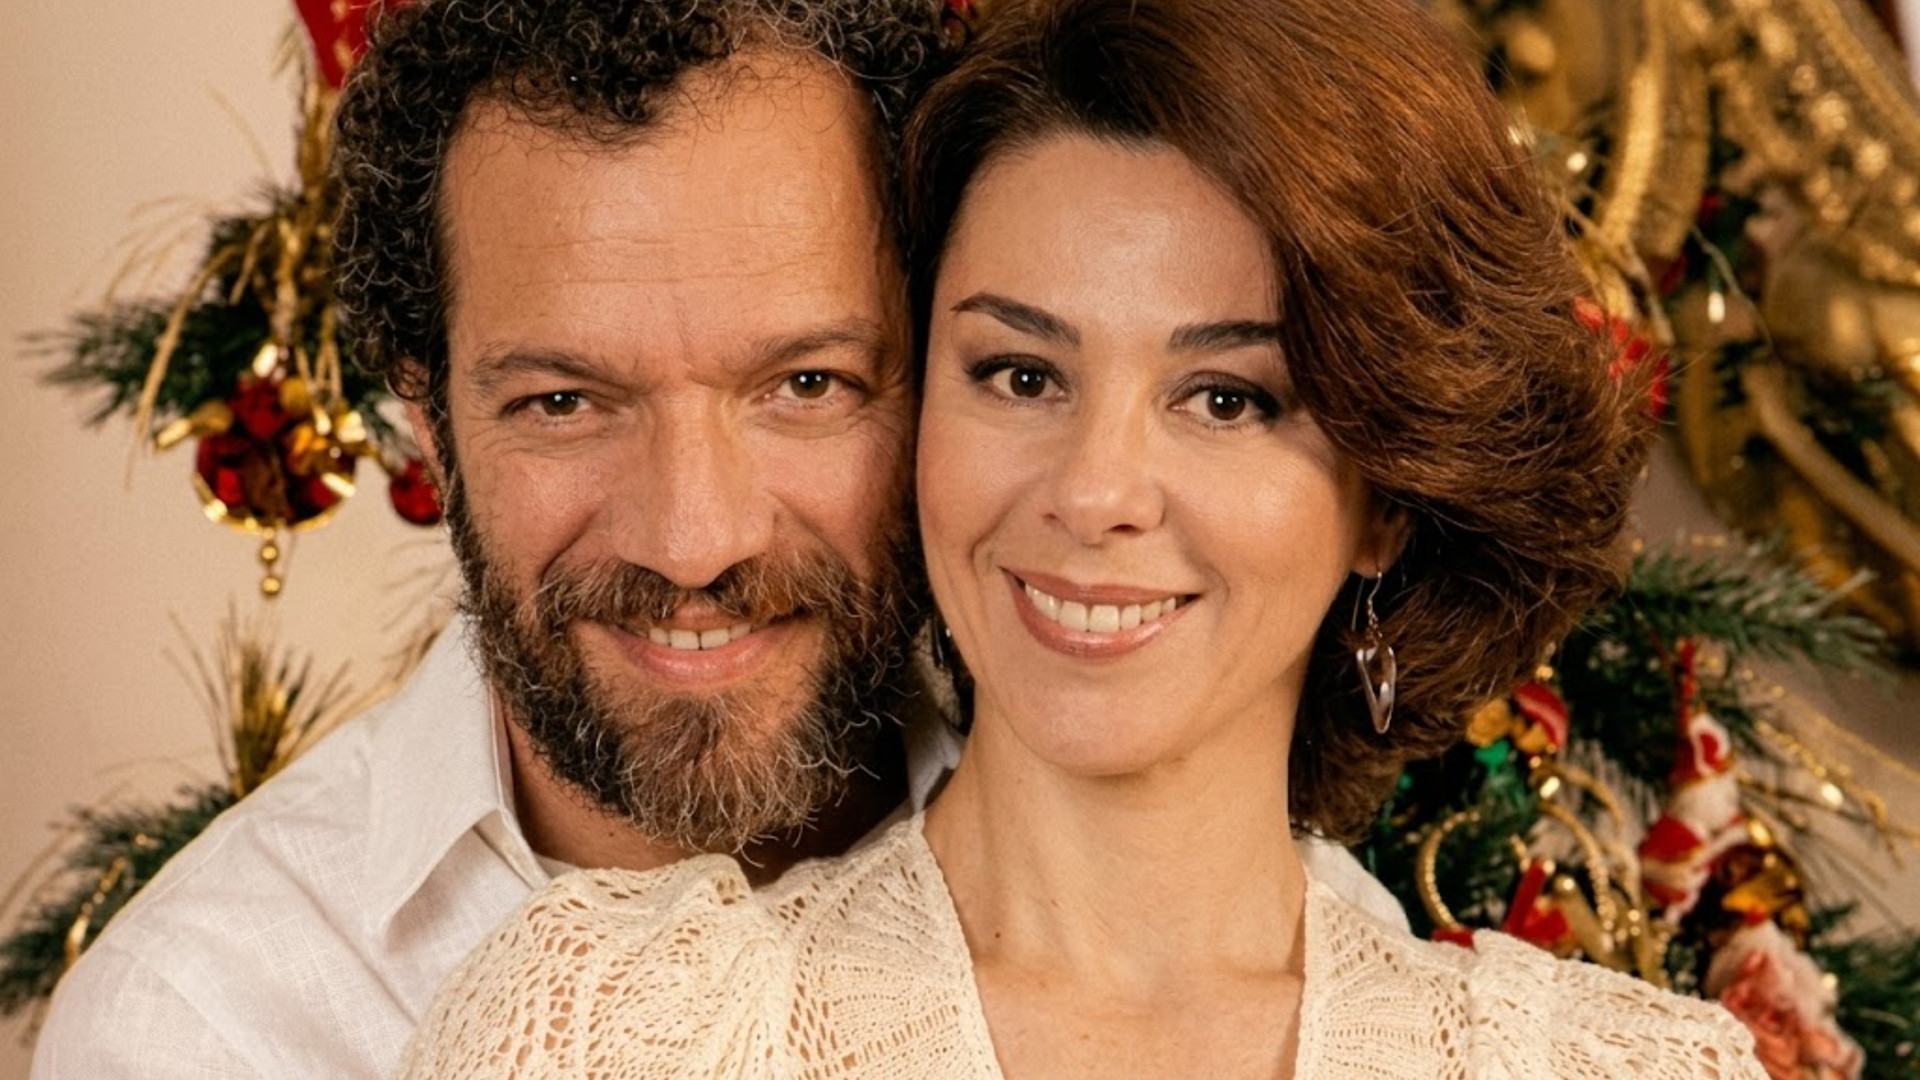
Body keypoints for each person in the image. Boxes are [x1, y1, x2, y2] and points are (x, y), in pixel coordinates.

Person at [395, 0, 1770, 1077]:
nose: (1096, 490)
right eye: (1021, 375)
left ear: (1390, 495)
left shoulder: (1627, 1068)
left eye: (1225, 398)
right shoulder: (606, 1038)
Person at [31, 2, 1398, 1077]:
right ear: (429, 427)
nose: (693, 540)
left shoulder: (1326, 972)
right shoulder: (204, 1024)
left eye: (805, 384)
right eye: (563, 403)